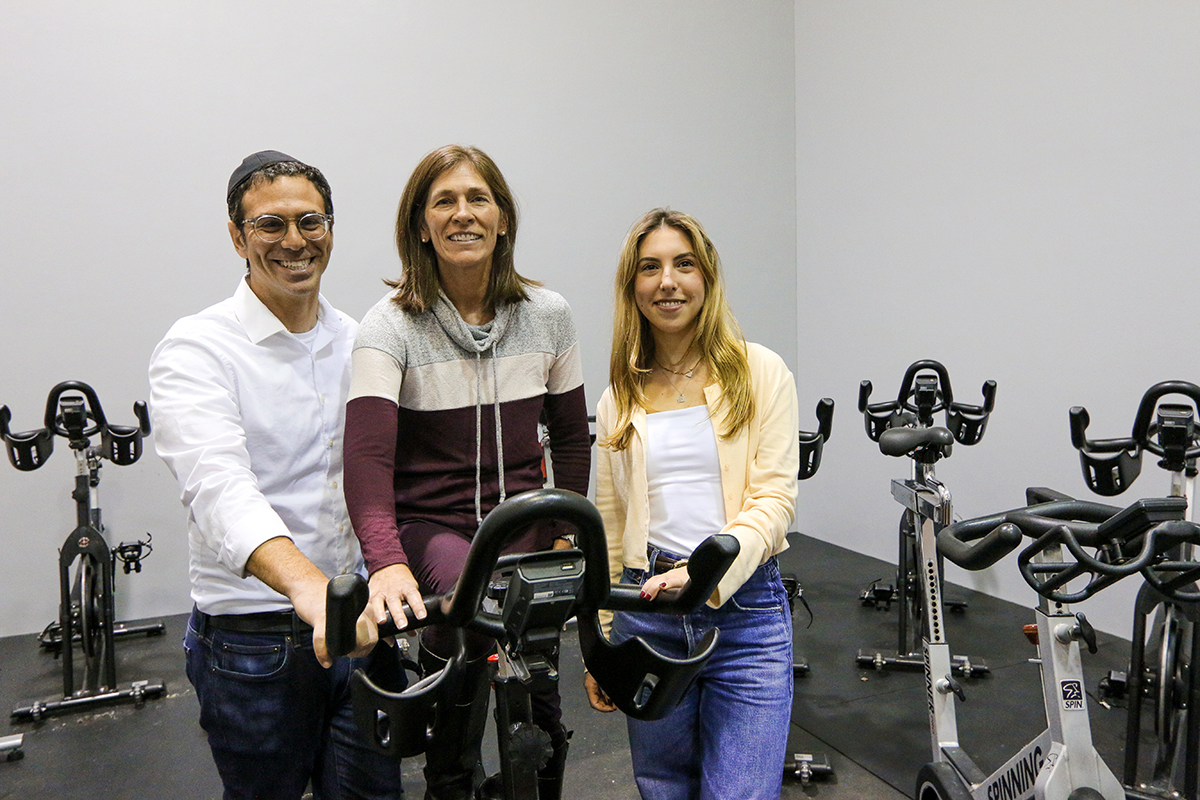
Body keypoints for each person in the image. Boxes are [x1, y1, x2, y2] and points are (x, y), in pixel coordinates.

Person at [149, 150, 405, 800]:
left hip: (360, 631)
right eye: (271, 224)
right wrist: (310, 588)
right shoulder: (196, 348)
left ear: (330, 230)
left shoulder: (361, 340)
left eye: (310, 222)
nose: (294, 240)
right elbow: (219, 489)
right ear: (238, 237)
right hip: (253, 646)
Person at [342, 144, 591, 800]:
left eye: (478, 198)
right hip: (436, 528)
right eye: (444, 202)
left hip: (525, 527)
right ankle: (448, 760)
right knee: (471, 611)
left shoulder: (549, 314)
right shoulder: (388, 327)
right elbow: (367, 460)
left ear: (503, 219)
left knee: (541, 715)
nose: (462, 213)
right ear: (421, 226)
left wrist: (565, 529)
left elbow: (570, 436)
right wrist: (386, 563)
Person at [585, 208, 799, 800]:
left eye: (683, 264)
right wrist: (602, 641)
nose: (668, 282)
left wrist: (707, 569)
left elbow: (775, 499)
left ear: (706, 276)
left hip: (746, 614)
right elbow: (610, 523)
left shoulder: (761, 372)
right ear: (633, 286)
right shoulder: (618, 396)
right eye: (649, 268)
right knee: (663, 787)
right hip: (645, 611)